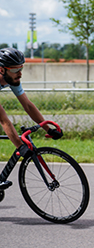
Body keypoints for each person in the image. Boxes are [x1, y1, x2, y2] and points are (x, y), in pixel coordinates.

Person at [0, 48, 63, 189]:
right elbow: (3, 120)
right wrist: (20, 146)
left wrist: (48, 129)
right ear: (2, 70)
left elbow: (28, 106)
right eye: (16, 70)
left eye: (21, 69)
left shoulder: (12, 79)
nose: (20, 74)